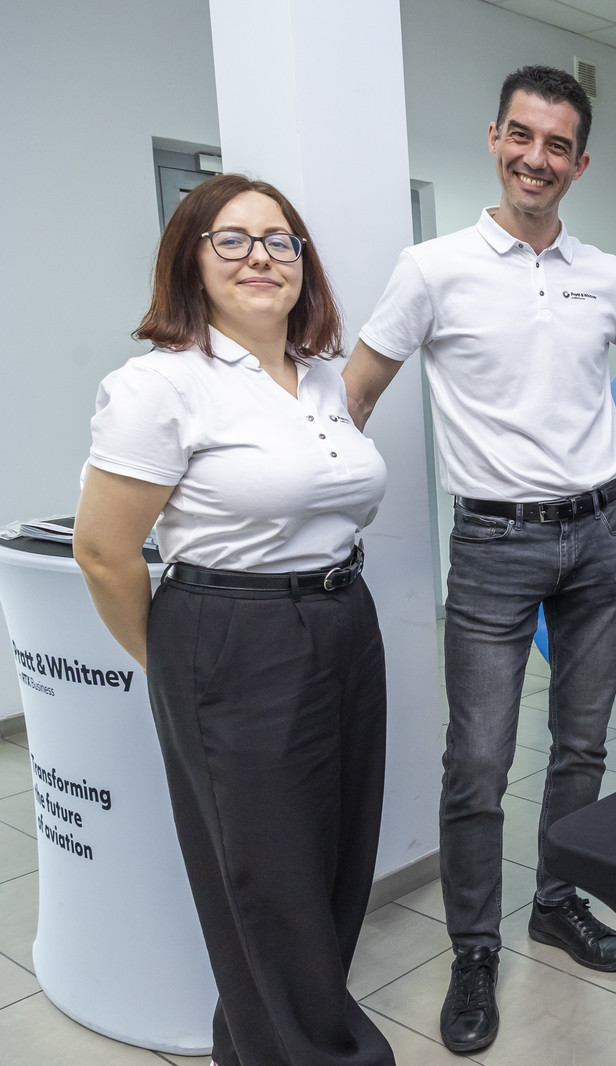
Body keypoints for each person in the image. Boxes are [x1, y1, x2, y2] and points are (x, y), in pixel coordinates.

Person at [342, 65, 616, 1053]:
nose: (537, 158)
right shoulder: (432, 268)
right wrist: (318, 503)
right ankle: (475, 948)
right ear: (495, 139)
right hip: (492, 543)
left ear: (579, 162)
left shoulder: (605, 274)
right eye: (521, 136)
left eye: (557, 144)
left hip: (598, 536)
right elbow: (356, 390)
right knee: (479, 762)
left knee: (582, 745)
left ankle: (558, 903)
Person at [74, 174, 393, 1066]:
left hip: (342, 621)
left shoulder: (321, 378)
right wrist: (181, 670)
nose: (261, 256)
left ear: (303, 263)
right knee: (269, 883)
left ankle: (249, 1047)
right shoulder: (159, 386)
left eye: (280, 240)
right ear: (191, 259)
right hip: (232, 634)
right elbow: (102, 552)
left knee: (333, 862)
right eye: (233, 239)